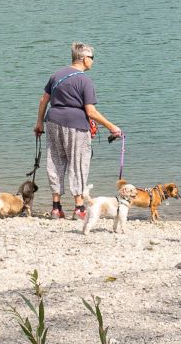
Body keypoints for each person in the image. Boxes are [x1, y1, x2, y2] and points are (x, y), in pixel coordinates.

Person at [34, 42, 120, 222]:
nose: (93, 62)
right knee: (78, 164)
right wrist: (111, 126)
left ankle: (56, 209)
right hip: (76, 125)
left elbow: (44, 100)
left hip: (53, 121)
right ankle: (79, 208)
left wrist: (39, 123)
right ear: (84, 59)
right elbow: (91, 112)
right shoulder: (84, 80)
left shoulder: (56, 74)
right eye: (92, 58)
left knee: (55, 162)